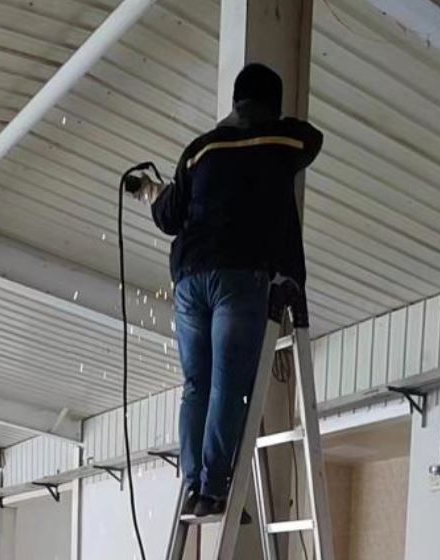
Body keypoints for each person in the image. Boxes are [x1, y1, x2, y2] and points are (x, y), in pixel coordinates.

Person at [134, 63, 323, 517]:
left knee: (195, 385)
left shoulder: (200, 150)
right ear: (272, 105)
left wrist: (151, 191)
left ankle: (194, 483)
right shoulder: (280, 141)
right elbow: (312, 138)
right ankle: (214, 488)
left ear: (235, 102)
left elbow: (168, 216)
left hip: (189, 277)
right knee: (227, 382)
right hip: (238, 276)